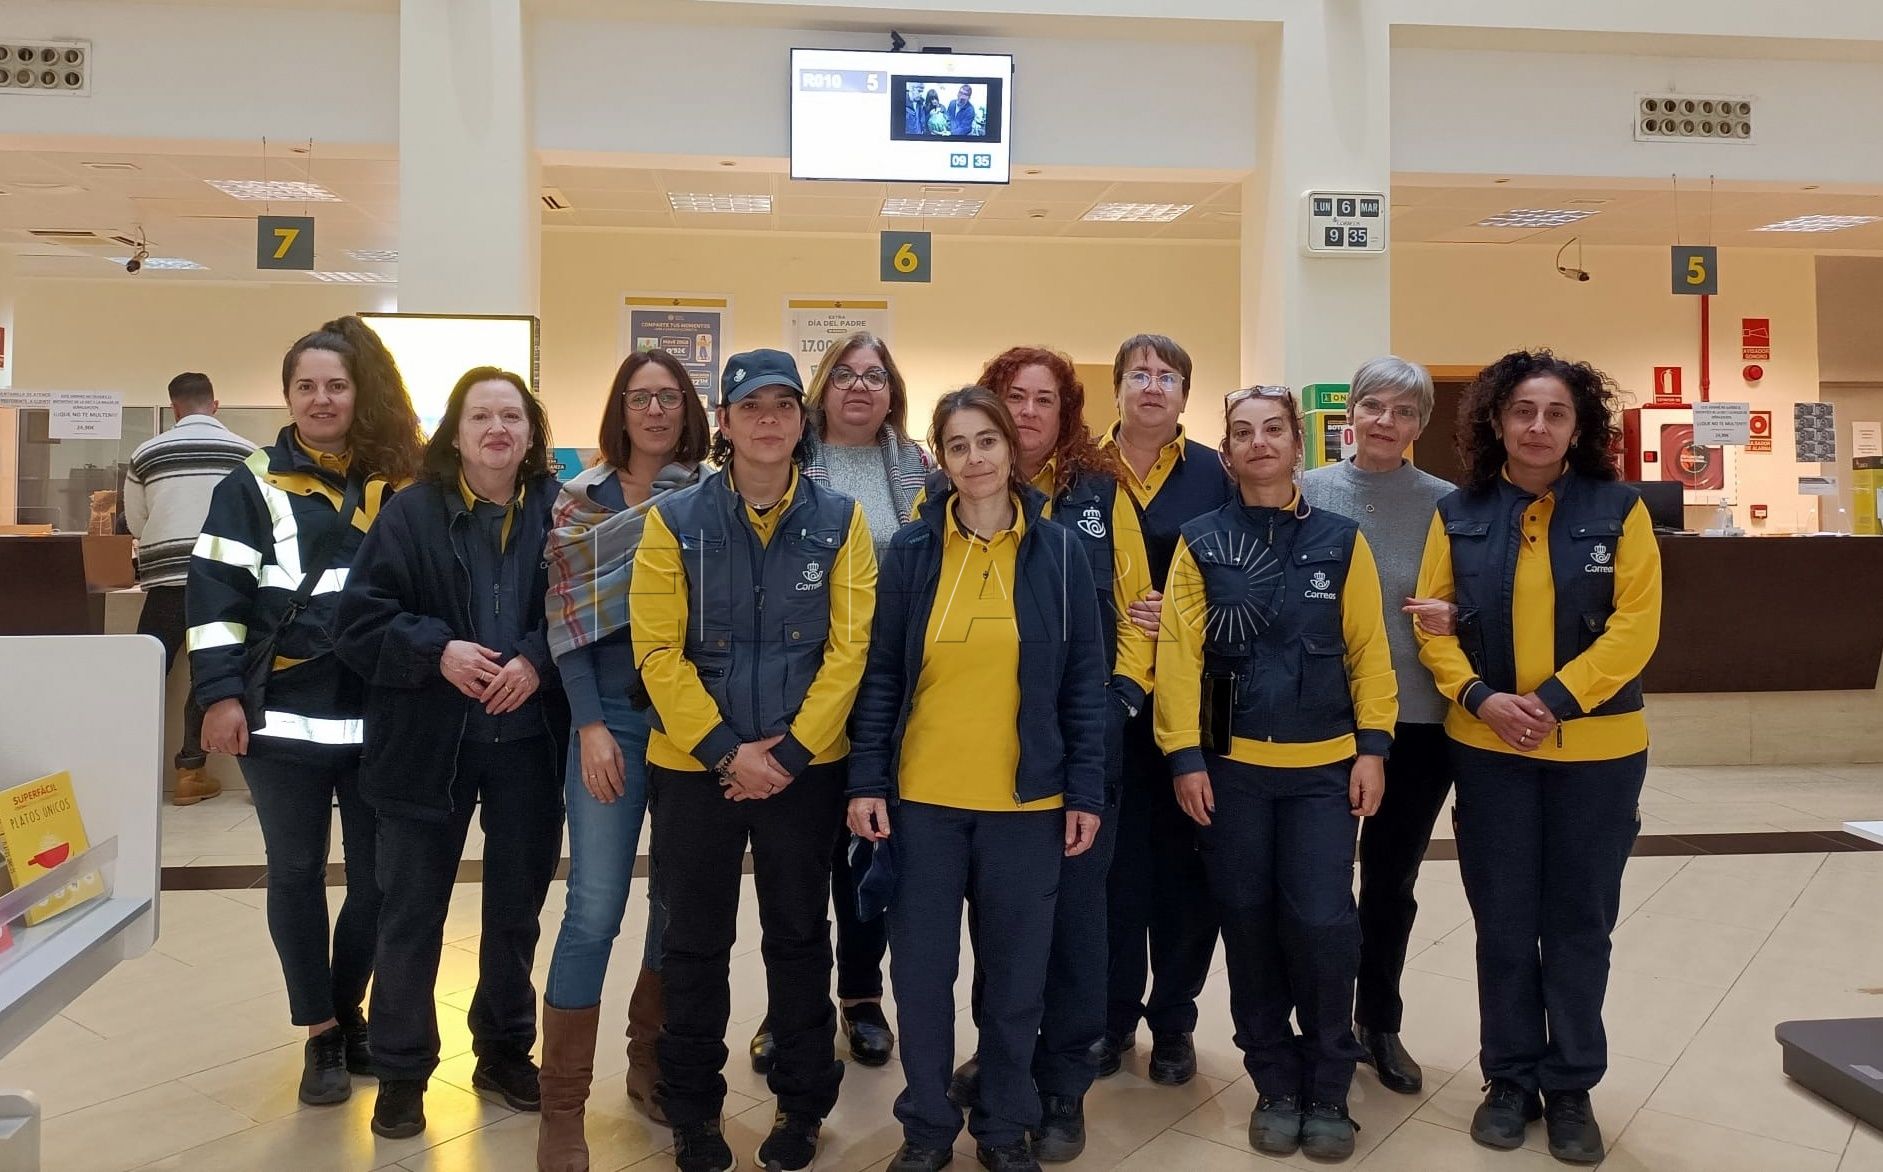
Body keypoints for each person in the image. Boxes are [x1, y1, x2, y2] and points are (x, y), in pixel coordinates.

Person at [1414, 351, 1662, 1164]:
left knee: (1580, 922)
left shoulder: (1618, 510)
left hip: (1597, 752)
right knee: (1504, 922)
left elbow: (1634, 629)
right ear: (1495, 421)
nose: (1537, 427)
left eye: (1555, 413)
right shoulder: (1457, 511)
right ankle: (1510, 1077)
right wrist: (1481, 698)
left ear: (1577, 425)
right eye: (1522, 410)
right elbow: (1432, 623)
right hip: (1489, 751)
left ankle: (1570, 1085)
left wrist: (1552, 702)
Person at [632, 348, 876, 1172]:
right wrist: (726, 752)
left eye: (782, 405)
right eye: (750, 406)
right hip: (694, 767)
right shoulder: (673, 522)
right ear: (725, 424)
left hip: (805, 771)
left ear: (799, 422)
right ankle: (693, 1111)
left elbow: (851, 651)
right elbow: (657, 650)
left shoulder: (841, 523)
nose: (768, 419)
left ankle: (802, 1107)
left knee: (800, 938)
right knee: (693, 941)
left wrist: (794, 752)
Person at [849, 387, 1105, 1172]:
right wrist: (866, 779)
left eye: (986, 441)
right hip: (922, 803)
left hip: (1025, 805)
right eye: (956, 446)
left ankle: (1001, 1127)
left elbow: (1084, 682)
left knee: (1015, 985)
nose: (974, 459)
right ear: (942, 460)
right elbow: (883, 674)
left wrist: (1084, 789)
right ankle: (926, 1127)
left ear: (1010, 450)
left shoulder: (1060, 552)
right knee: (922, 981)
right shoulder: (912, 551)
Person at [187, 316, 422, 1107]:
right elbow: (216, 596)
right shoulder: (249, 483)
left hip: (375, 716)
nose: (321, 399)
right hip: (279, 719)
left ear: (360, 393)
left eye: (336, 385)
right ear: (286, 395)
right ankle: (321, 1033)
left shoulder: (401, 479)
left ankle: (349, 1008)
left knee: (379, 880)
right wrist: (219, 695)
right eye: (305, 386)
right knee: (293, 872)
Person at [1157, 385, 1396, 1162]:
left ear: (1299, 445)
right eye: (1241, 433)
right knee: (1248, 922)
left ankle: (1328, 1081)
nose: (1258, 443)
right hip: (1231, 774)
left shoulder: (1339, 538)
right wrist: (1185, 755)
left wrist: (1373, 746)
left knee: (1324, 922)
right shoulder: (1200, 540)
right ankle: (1274, 1080)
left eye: (1273, 430)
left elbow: (1368, 649)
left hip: (1323, 768)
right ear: (1225, 453)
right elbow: (1179, 657)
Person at [334, 367, 569, 1140]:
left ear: (532, 434)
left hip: (527, 748)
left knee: (515, 914)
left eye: (511, 416)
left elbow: (586, 615)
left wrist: (535, 658)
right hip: (425, 747)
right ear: (456, 432)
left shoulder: (562, 516)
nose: (496, 429)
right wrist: (436, 650)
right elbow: (358, 620)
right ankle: (402, 1071)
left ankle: (503, 1050)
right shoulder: (407, 515)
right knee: (409, 913)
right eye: (480, 416)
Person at [945, 347, 1155, 1159]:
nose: (1027, 413)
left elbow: (1141, 607)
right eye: (1012, 398)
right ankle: (1002, 1065)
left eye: (1044, 400)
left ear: (1065, 413)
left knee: (1073, 921)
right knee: (1000, 923)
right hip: (986, 754)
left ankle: (1062, 1084)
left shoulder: (1101, 497)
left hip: (1084, 745)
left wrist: (1122, 698)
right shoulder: (955, 499)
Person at [534, 349, 712, 1169]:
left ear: (687, 409)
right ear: (621, 407)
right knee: (595, 908)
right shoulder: (579, 502)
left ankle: (649, 1067)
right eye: (641, 397)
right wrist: (590, 726)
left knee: (674, 907)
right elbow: (565, 624)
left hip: (683, 726)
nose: (655, 410)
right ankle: (561, 1108)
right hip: (607, 724)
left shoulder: (706, 497)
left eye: (669, 397)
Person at [745, 332, 930, 1076]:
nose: (859, 387)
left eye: (875, 376)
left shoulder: (918, 468)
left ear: (892, 391)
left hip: (885, 693)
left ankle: (860, 994)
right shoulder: (781, 464)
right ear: (821, 387)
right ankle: (789, 1006)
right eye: (845, 375)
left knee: (866, 852)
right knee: (795, 858)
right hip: (798, 690)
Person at [1299, 357, 1455, 1096]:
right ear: (1349, 414)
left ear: (1419, 426)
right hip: (1322, 722)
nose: (1385, 422)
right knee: (1319, 884)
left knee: (1390, 880)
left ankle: (1378, 1022)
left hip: (1416, 722)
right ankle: (1319, 1025)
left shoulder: (1447, 504)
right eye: (1373, 407)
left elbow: (1476, 598)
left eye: (1402, 412)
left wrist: (1460, 617)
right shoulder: (1308, 492)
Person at [1098, 333, 1234, 1086]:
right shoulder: (1078, 472)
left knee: (1187, 870)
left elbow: (1246, 569)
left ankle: (1174, 1022)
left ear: (1184, 395)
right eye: (1138, 374)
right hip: (1109, 700)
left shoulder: (1216, 474)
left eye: (1168, 376)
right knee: (1114, 869)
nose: (1152, 386)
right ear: (1116, 389)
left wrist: (1184, 618)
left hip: (1197, 701)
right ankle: (1111, 1016)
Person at [124, 371, 256, 806]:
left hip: (165, 581)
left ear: (174, 407)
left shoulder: (146, 452)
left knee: (146, 675)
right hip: (224, 580)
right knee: (212, 676)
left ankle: (133, 771)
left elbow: (138, 522)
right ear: (215, 405)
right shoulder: (247, 453)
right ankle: (190, 773)